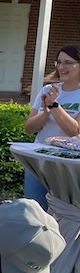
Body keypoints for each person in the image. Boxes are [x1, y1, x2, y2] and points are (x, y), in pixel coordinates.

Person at [23, 45, 80, 209]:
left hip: (67, 166)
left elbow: (75, 130)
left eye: (68, 62)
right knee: (35, 211)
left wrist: (54, 106)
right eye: (59, 62)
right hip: (38, 161)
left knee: (62, 215)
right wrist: (46, 112)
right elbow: (29, 128)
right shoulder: (48, 89)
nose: (62, 67)